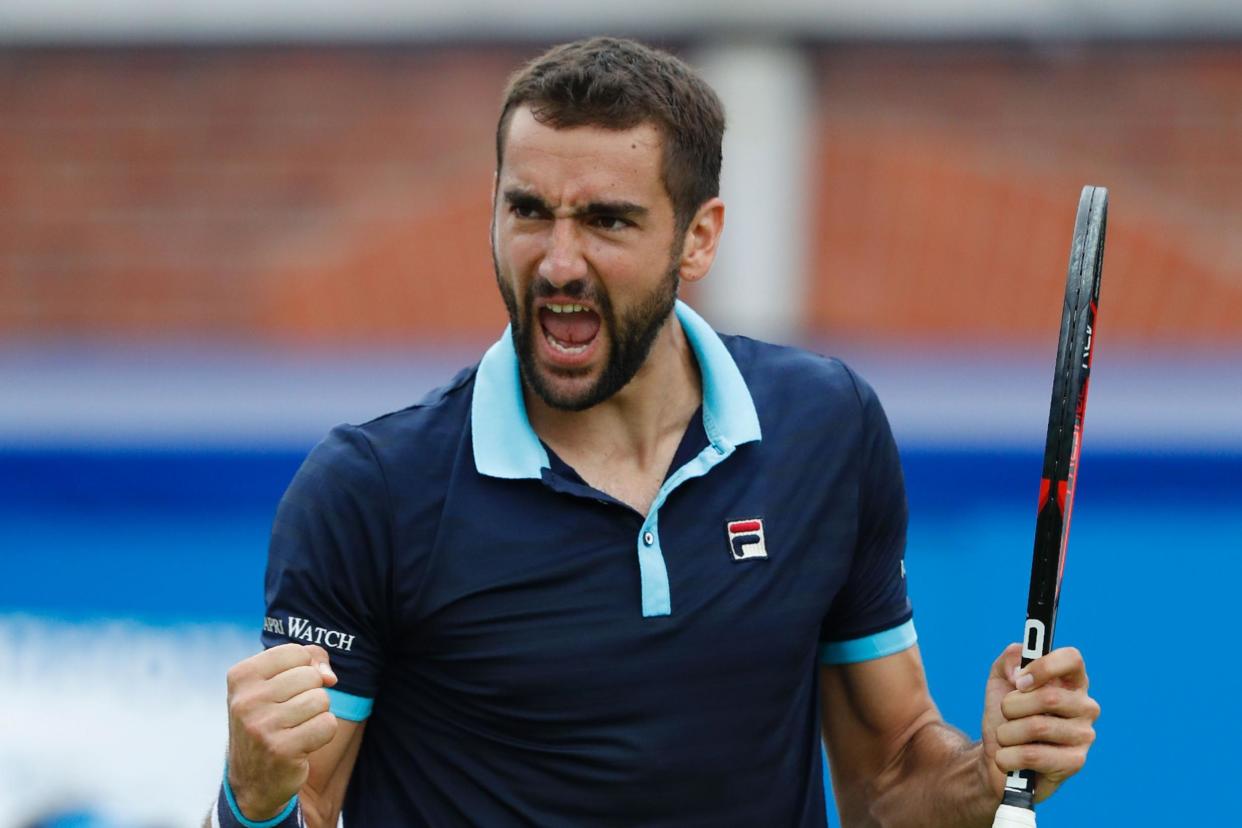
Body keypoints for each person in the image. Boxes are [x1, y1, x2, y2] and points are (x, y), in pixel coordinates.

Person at [209, 37, 1099, 828]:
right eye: (528, 212)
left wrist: (989, 773)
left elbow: (889, 777)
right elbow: (306, 807)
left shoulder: (825, 430)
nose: (559, 262)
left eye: (606, 221)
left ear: (698, 238)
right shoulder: (368, 490)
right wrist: (254, 804)